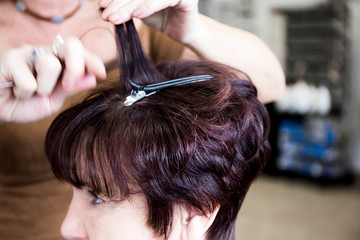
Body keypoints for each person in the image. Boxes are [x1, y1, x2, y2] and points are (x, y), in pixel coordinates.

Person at [0, 0, 284, 239]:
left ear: (195, 213)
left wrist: (193, 29)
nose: (67, 228)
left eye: (99, 195)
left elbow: (268, 83)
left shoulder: (137, 14)